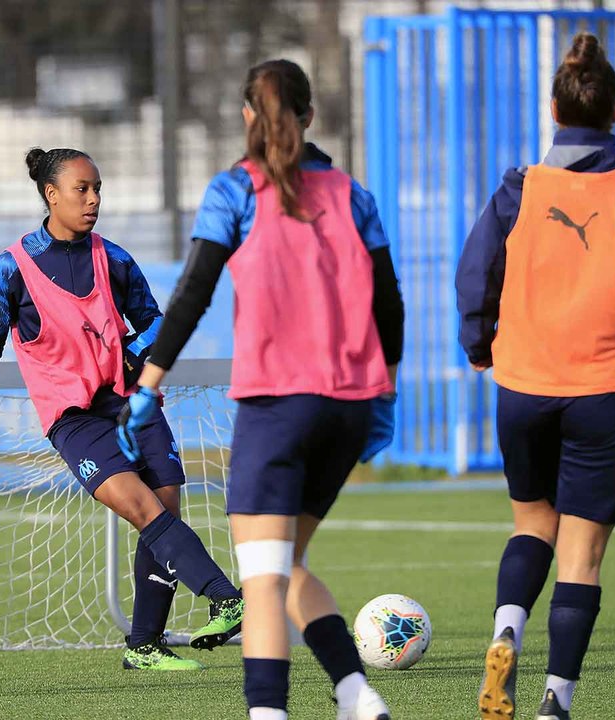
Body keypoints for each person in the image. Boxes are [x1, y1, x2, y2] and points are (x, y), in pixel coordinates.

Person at [117, 59, 406, 720]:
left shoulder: (235, 191)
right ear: (308, 118)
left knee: (262, 580)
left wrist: (148, 386)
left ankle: (270, 712)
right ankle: (357, 694)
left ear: (249, 116)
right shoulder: (354, 195)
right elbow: (389, 305)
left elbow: (191, 295)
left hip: (278, 410)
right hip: (348, 408)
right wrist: (384, 394)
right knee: (288, 562)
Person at [456, 34, 615, 720]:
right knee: (582, 555)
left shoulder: (519, 189)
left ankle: (507, 627)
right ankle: (554, 702)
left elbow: (474, 276)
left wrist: (480, 346)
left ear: (553, 110)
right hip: (606, 389)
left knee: (532, 523)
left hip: (525, 384)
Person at [0, 147, 244, 671]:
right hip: (74, 422)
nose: (94, 199)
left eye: (98, 188)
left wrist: (139, 363)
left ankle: (144, 645)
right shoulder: (10, 269)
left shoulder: (113, 258)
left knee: (164, 508)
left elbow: (154, 323)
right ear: (51, 195)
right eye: (82, 189)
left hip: (130, 405)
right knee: (144, 509)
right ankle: (224, 596)